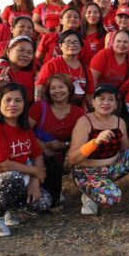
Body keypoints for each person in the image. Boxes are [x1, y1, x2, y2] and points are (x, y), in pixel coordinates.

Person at [0, 83, 53, 236]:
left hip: (12, 180)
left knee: (43, 201)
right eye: (7, 100)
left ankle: (6, 210)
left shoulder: (24, 128)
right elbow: (0, 166)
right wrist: (35, 170)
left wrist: (34, 180)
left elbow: (37, 155)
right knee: (14, 176)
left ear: (24, 105)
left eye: (18, 100)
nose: (12, 104)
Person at [68, 83, 129, 219]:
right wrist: (95, 142)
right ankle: (89, 194)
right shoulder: (84, 122)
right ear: (93, 102)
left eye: (110, 99)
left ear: (116, 105)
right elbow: (72, 159)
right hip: (88, 173)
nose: (106, 103)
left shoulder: (120, 122)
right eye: (101, 99)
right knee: (112, 198)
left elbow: (126, 151)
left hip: (112, 169)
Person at [29, 74, 85, 208]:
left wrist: (63, 144)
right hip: (33, 158)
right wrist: (43, 146)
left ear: (69, 89)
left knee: (53, 203)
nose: (57, 91)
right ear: (48, 91)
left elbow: (82, 141)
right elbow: (23, 132)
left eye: (61, 87)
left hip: (57, 162)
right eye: (53, 88)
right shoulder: (39, 107)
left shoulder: (78, 113)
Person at [35, 30, 93, 105]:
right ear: (60, 46)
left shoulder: (86, 69)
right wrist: (42, 108)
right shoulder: (51, 65)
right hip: (54, 108)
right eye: (68, 42)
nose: (72, 45)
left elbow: (89, 96)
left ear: (81, 47)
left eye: (75, 42)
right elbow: (40, 89)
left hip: (77, 110)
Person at [0, 35, 37, 99]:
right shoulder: (0, 71)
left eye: (29, 52)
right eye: (21, 50)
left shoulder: (18, 71)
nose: (25, 55)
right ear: (8, 52)